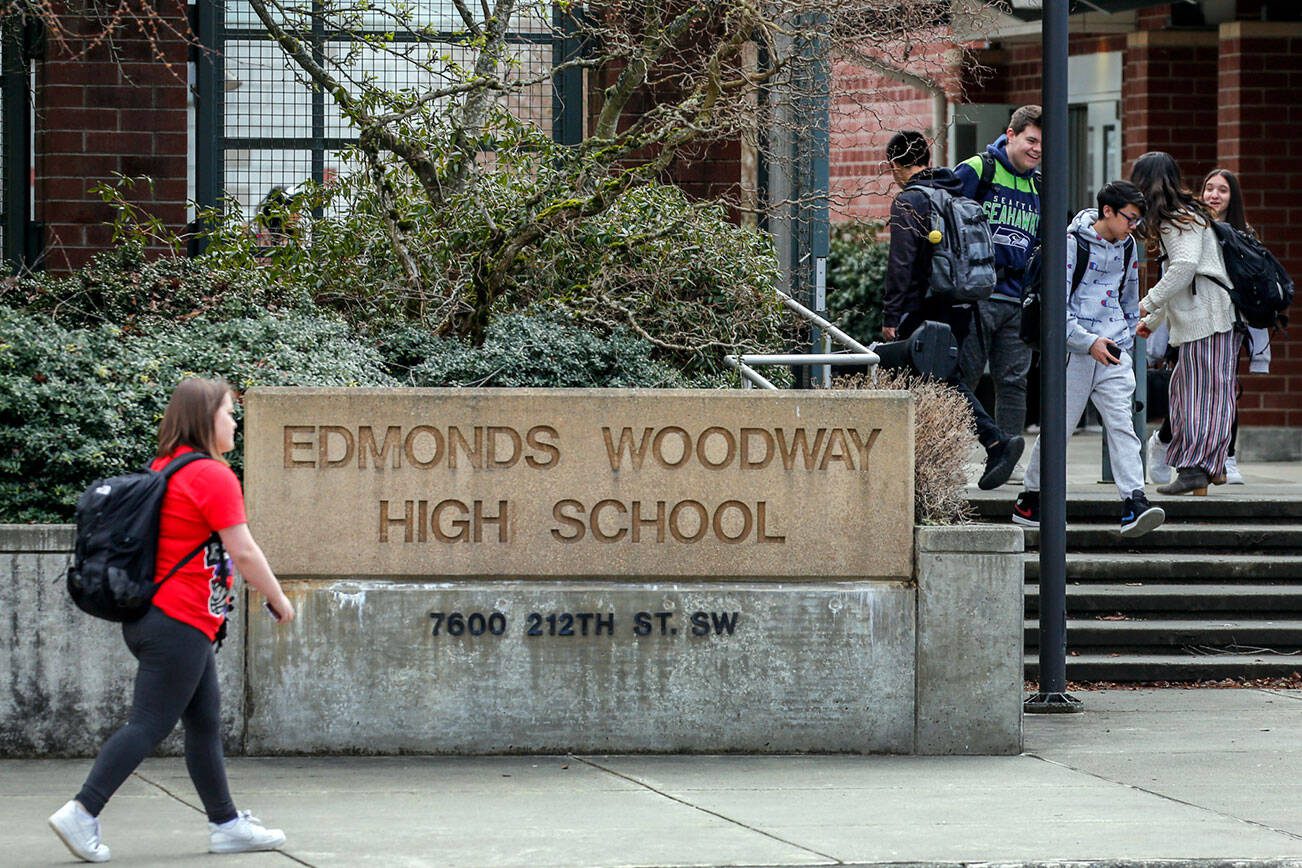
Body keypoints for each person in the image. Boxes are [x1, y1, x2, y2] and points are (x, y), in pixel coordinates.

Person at [48, 378, 296, 863]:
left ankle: (226, 825)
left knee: (203, 723)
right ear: (206, 418)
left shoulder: (165, 468)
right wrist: (278, 596)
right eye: (229, 413)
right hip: (177, 621)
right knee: (147, 723)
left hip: (160, 620)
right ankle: (82, 811)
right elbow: (243, 550)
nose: (235, 422)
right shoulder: (212, 475)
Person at [1011, 181, 1164, 536]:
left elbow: (1129, 297)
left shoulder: (1128, 248)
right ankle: (1031, 498)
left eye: (1138, 220)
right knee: (1058, 429)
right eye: (1130, 217)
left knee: (1122, 426)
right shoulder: (1070, 244)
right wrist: (1086, 341)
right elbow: (1055, 307)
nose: (1134, 226)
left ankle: (1133, 501)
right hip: (1074, 351)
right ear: (1107, 211)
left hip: (1112, 350)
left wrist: (1122, 340)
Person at [881, 130, 1024, 490]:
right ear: (927, 160)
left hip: (927, 304)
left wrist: (891, 317)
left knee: (935, 378)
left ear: (896, 165)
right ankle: (969, 451)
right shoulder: (952, 192)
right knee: (940, 377)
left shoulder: (910, 201)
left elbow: (902, 264)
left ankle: (994, 442)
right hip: (963, 303)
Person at [1147, 167, 1269, 485]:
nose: (1214, 195)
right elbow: (1173, 280)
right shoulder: (1196, 223)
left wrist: (1261, 353)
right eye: (1209, 188)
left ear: (1234, 198)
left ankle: (1214, 460)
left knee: (1217, 391)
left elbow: (1249, 289)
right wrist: (1153, 327)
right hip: (1186, 318)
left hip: (1221, 319)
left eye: (1223, 190)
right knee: (1190, 392)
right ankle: (1174, 449)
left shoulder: (1239, 234)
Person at [1131, 152, 1239, 496]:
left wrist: (1145, 305)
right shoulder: (1187, 215)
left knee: (1199, 397)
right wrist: (1153, 319)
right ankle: (1210, 466)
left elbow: (1184, 268)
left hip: (1207, 319)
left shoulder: (1177, 218)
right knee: (1192, 393)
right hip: (1203, 317)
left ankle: (1198, 467)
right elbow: (1181, 278)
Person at [954, 104, 1043, 449]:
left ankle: (1008, 452)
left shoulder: (1039, 185)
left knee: (1013, 381)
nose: (1036, 150)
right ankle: (952, 456)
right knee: (964, 378)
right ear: (1011, 135)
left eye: (1041, 145)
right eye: (1031, 140)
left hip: (1017, 298)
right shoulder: (978, 169)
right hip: (976, 295)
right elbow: (945, 218)